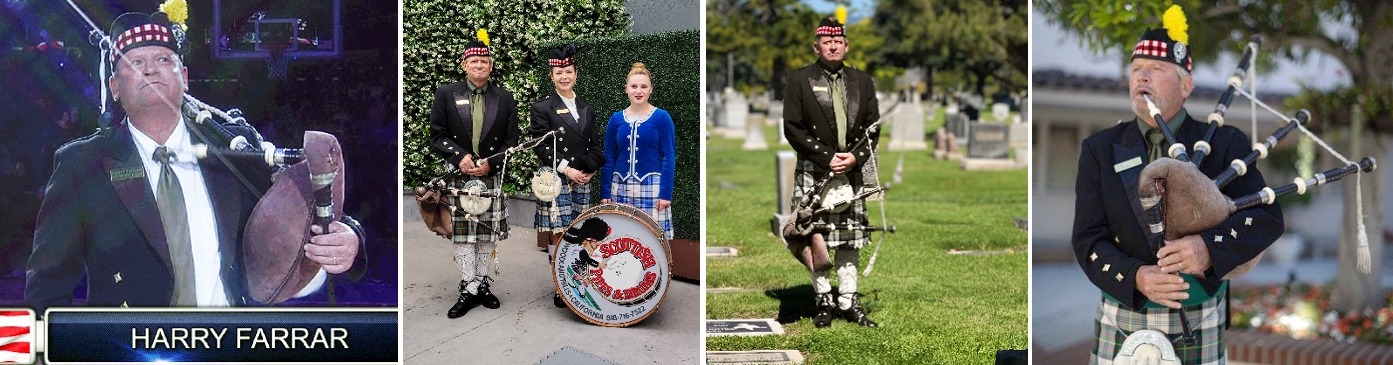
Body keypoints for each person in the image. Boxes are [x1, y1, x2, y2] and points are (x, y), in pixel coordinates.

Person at [26, 9, 364, 312]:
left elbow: (305, 212)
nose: (150, 71)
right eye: (135, 64)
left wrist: (349, 237)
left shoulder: (233, 148)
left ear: (184, 78)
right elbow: (47, 283)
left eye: (163, 60)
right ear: (114, 87)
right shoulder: (81, 164)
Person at [1071, 6, 1282, 364]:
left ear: (1186, 84)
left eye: (1156, 69)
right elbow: (1088, 238)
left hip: (1200, 312)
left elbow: (1265, 218)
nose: (1143, 77)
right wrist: (1136, 276)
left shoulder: (1224, 143)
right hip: (1125, 308)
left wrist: (1206, 249)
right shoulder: (1100, 149)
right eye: (1137, 69)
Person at [782, 15, 881, 328]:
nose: (833, 46)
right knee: (816, 236)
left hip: (851, 170)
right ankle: (823, 300)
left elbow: (873, 128)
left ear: (846, 46)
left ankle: (848, 301)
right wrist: (828, 157)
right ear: (817, 46)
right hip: (815, 168)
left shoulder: (863, 81)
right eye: (827, 42)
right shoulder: (799, 81)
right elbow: (793, 128)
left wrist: (854, 158)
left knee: (849, 238)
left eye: (838, 41)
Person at [428, 31, 521, 319]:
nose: (480, 66)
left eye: (485, 61)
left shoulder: (504, 98)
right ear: (464, 65)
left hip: (489, 173)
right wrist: (460, 157)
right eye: (474, 61)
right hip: (459, 173)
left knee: (486, 234)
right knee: (464, 235)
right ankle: (469, 286)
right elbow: (437, 135)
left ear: (491, 66)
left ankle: (480, 284)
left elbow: (511, 140)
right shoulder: (446, 93)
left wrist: (491, 164)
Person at [530, 44, 605, 308]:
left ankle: (575, 278)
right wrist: (568, 169)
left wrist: (590, 169)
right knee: (558, 233)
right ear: (551, 76)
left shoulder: (586, 108)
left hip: (581, 180)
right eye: (559, 72)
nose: (564, 76)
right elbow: (540, 145)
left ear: (576, 74)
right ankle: (560, 284)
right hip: (556, 179)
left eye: (569, 71)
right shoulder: (542, 108)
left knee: (579, 232)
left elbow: (595, 146)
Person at [600, 62, 676, 240]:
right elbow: (609, 156)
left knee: (653, 238)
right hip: (620, 188)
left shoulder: (661, 117)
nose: (638, 91)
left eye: (643, 86)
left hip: (652, 188)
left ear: (651, 89)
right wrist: (605, 192)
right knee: (621, 237)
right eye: (634, 86)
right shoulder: (616, 119)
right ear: (626, 88)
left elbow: (669, 156)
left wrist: (665, 194)